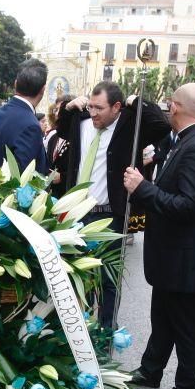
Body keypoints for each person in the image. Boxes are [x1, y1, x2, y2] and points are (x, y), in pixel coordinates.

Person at [122, 83, 195, 389]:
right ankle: (152, 370)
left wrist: (144, 189)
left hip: (186, 257)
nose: (167, 110)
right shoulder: (190, 139)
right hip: (172, 255)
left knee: (187, 326)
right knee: (163, 317)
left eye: (169, 106)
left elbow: (188, 206)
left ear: (176, 107)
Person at [57, 81, 171, 328]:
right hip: (76, 214)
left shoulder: (131, 125)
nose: (93, 113)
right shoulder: (80, 120)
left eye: (99, 108)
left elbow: (162, 125)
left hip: (109, 215)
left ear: (117, 106)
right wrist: (68, 107)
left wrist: (137, 101)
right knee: (79, 274)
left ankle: (107, 330)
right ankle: (82, 330)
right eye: (91, 106)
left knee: (109, 277)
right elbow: (61, 129)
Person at [0, 58, 49, 175]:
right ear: (43, 89)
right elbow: (24, 177)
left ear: (15, 84)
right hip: (9, 192)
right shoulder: (31, 125)